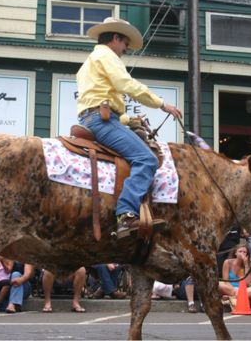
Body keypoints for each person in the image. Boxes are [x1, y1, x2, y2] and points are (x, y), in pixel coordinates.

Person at [76, 17, 182, 238]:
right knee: (147, 159)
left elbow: (101, 98)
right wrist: (161, 104)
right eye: (125, 43)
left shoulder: (90, 61)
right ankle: (126, 215)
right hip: (102, 121)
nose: (125, 49)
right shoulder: (107, 55)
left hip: (94, 118)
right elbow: (126, 84)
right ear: (115, 38)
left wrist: (126, 120)